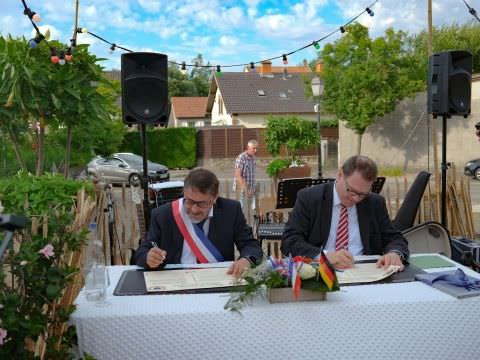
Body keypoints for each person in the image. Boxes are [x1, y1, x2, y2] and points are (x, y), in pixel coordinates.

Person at [281, 155, 409, 270]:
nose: (355, 198)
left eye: (362, 194)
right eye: (351, 190)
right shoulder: (310, 198)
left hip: (365, 270)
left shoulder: (374, 202)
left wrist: (394, 253)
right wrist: (324, 256)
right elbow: (290, 240)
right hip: (321, 270)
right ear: (340, 174)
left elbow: (394, 237)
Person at [135, 168, 262, 276]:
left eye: (202, 203)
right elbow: (141, 252)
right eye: (189, 201)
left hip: (218, 279)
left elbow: (251, 246)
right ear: (183, 193)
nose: (194, 210)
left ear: (215, 197)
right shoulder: (163, 214)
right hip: (176, 279)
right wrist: (148, 257)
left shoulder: (231, 210)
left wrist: (247, 259)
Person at [234, 139, 258, 212]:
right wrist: (244, 188)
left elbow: (251, 174)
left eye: (256, 148)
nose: (255, 150)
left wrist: (251, 188)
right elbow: (237, 174)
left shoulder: (253, 158)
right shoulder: (241, 157)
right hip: (242, 188)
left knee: (255, 209)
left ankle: (255, 222)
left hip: (251, 188)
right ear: (248, 147)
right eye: (254, 148)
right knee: (241, 209)